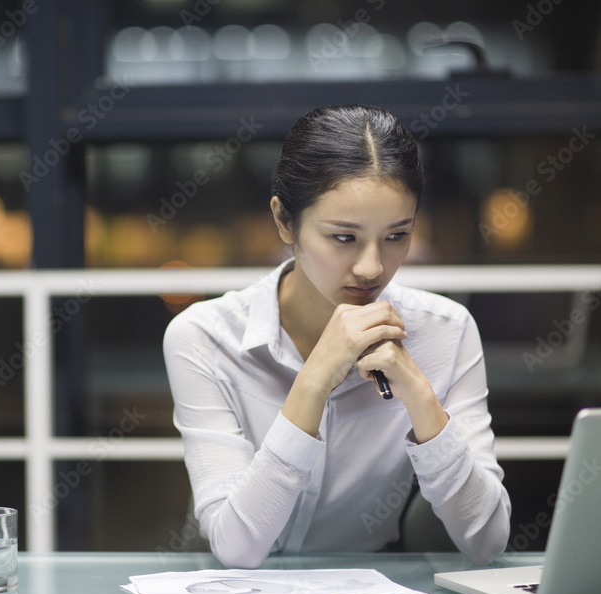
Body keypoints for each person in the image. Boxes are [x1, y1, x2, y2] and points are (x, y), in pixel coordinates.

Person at [162, 104, 511, 569]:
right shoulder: (204, 337)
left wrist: (421, 399)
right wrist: (314, 379)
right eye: (344, 238)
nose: (372, 267)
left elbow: (488, 540)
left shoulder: (445, 331)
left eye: (396, 235)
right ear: (285, 221)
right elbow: (238, 547)